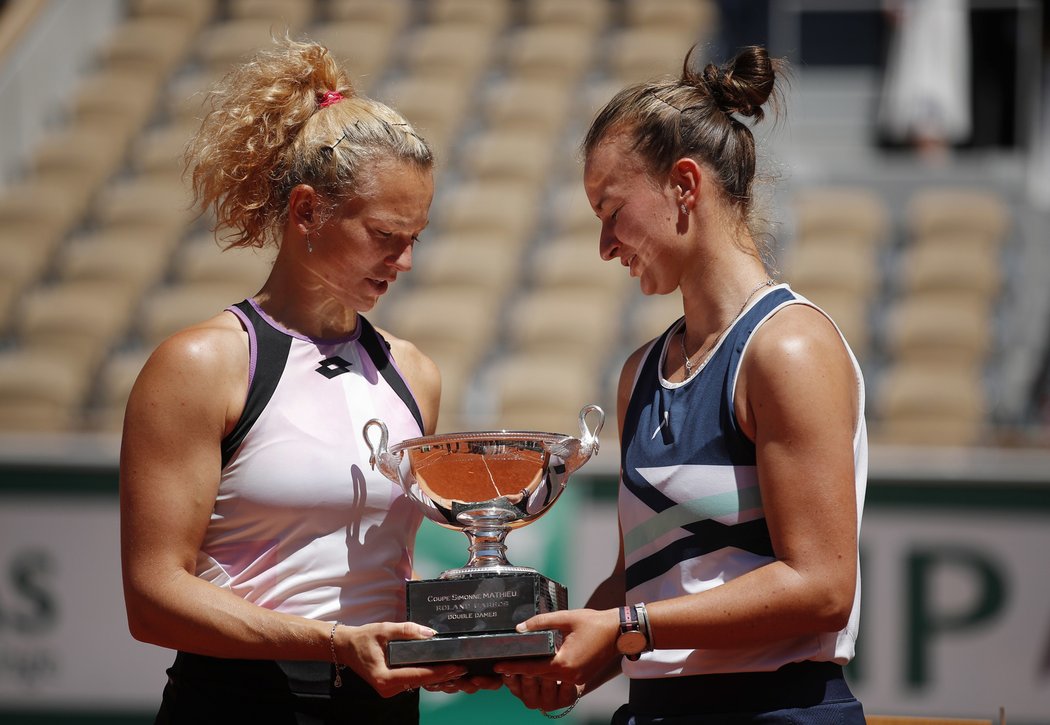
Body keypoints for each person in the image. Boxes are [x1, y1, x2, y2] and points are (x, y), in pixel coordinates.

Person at [494, 45, 869, 724]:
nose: (605, 245)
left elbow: (822, 586)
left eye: (612, 211)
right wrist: (567, 656)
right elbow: (647, 579)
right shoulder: (640, 370)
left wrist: (626, 628)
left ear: (685, 186)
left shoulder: (788, 347)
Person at [119, 36, 484, 724]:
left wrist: (461, 642)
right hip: (238, 704)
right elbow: (152, 593)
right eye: (385, 234)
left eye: (417, 236)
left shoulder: (415, 373)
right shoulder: (200, 364)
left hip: (381, 707)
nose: (405, 261)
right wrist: (333, 643)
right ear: (308, 212)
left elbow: (382, 575)